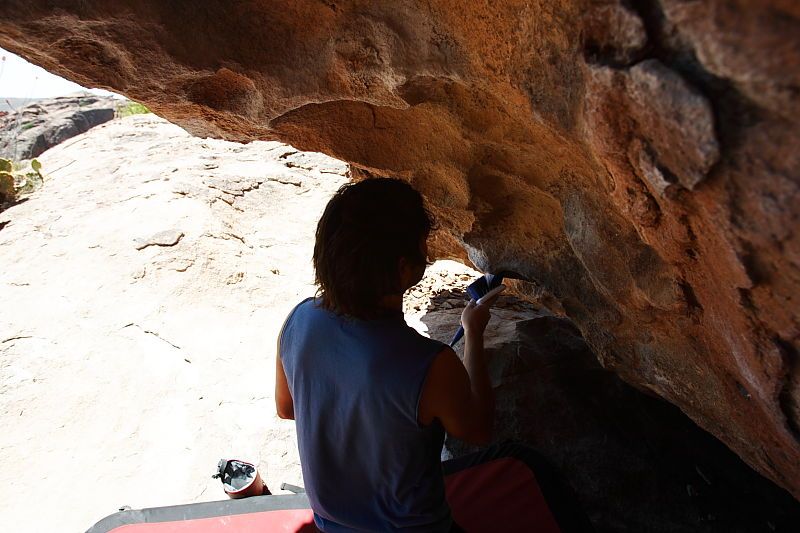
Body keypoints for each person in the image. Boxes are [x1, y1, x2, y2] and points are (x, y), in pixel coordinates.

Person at [275, 178, 502, 532]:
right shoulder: (431, 364)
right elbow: (478, 429)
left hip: (330, 525)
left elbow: (287, 408)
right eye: (422, 245)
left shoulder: (299, 320)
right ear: (402, 268)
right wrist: (473, 333)